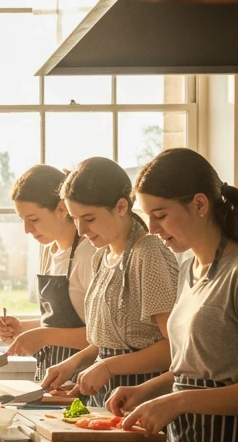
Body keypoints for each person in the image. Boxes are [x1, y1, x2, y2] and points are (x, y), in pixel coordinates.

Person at [107, 149, 238, 442]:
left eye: (161, 215)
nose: (151, 228)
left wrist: (178, 403)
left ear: (200, 204)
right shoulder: (188, 268)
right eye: (148, 216)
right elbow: (196, 369)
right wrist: (146, 391)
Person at [40, 157, 178, 406]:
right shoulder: (101, 256)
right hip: (107, 397)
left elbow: (174, 349)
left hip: (145, 397)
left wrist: (107, 367)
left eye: (89, 218)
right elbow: (108, 343)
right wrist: (74, 365)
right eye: (75, 219)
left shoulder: (147, 253)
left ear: (122, 207)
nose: (81, 230)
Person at [0, 165, 95, 383]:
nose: (27, 229)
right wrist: (23, 328)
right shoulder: (49, 251)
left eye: (34, 219)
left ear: (61, 209)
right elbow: (57, 322)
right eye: (22, 219)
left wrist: (43, 336)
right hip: (52, 378)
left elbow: (102, 338)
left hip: (84, 382)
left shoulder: (89, 254)